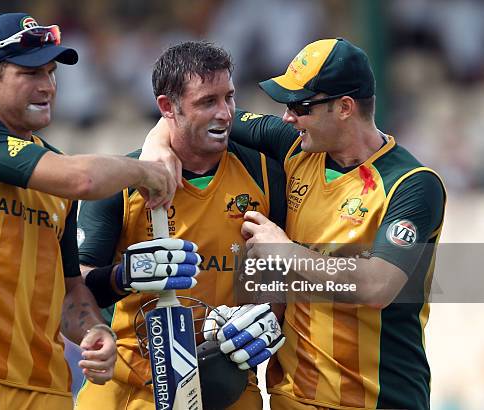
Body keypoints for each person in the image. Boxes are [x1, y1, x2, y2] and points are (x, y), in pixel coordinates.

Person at [146, 37, 446, 410]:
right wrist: (156, 144)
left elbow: (378, 286)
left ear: (344, 108)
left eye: (300, 106)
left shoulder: (412, 183)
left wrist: (286, 252)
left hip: (379, 399)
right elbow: (199, 116)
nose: (288, 117)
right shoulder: (296, 146)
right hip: (292, 397)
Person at [0, 13, 177, 410]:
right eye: (30, 73)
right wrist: (146, 169)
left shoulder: (53, 167)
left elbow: (68, 289)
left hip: (45, 389)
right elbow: (83, 179)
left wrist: (95, 330)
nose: (47, 86)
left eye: (50, 72)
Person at [75, 41, 286, 409]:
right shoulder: (123, 183)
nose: (225, 113)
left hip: (229, 387)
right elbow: (76, 284)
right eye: (207, 102)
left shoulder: (266, 174)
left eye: (230, 98)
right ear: (166, 108)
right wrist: (126, 275)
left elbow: (287, 275)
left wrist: (268, 313)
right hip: (131, 390)